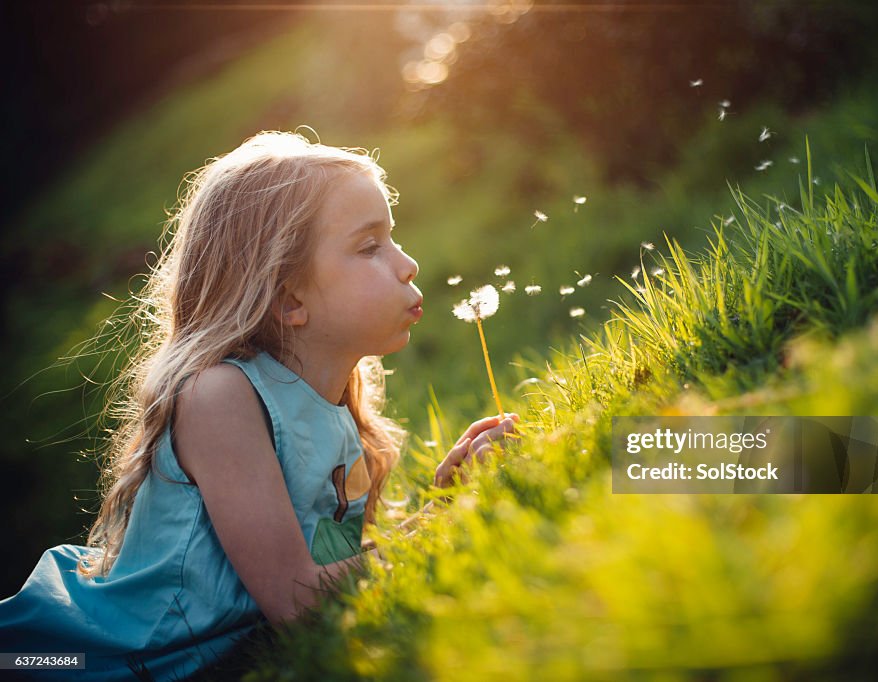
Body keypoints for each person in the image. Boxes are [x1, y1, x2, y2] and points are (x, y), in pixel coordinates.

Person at [0, 131, 519, 680]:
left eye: (393, 239)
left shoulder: (338, 403)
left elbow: (331, 578)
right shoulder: (219, 397)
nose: (408, 264)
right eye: (370, 247)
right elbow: (298, 602)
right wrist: (439, 522)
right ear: (289, 299)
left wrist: (447, 501)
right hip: (79, 661)